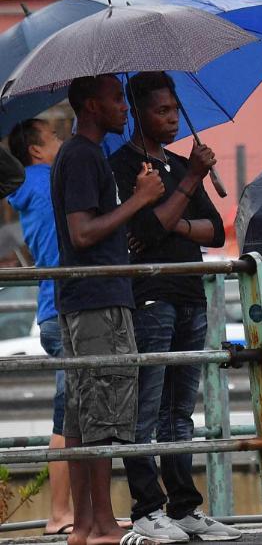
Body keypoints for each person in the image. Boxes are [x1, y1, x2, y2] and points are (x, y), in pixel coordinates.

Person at [108, 72, 240, 542]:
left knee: (180, 411)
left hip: (190, 294)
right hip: (151, 296)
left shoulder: (181, 166)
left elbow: (215, 230)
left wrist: (176, 222)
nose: (171, 118)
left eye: (173, 109)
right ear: (138, 112)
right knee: (146, 409)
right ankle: (147, 509)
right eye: (161, 110)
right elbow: (142, 232)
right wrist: (188, 188)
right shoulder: (123, 166)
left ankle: (185, 507)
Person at [52, 74, 164, 545]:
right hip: (97, 301)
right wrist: (140, 199)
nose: (126, 107)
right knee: (100, 420)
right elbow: (81, 233)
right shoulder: (80, 154)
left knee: (82, 421)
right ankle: (97, 524)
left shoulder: (84, 154)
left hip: (93, 297)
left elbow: (93, 229)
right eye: (118, 98)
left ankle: (87, 523)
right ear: (91, 106)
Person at [8, 119, 72, 534]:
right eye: (53, 136)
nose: (62, 140)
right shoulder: (47, 181)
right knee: (68, 419)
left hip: (54, 309)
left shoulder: (29, 186)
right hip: (65, 310)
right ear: (35, 150)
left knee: (75, 416)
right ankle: (60, 514)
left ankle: (73, 512)